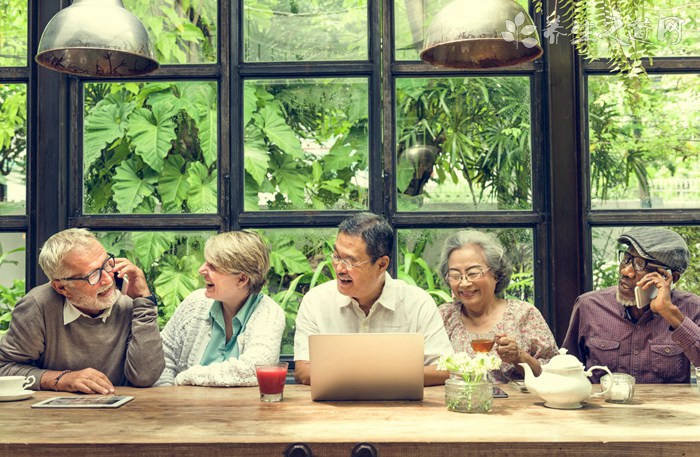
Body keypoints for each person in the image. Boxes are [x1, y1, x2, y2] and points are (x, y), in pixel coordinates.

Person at [293, 212, 454, 386]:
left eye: (350, 261)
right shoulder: (316, 301)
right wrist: (380, 377)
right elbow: (303, 370)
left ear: (381, 264)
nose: (339, 268)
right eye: (337, 256)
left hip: (401, 409)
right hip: (334, 407)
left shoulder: (417, 303)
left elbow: (444, 369)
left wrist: (371, 378)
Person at [0, 228, 164, 394]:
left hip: (125, 411)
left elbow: (145, 377)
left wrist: (145, 300)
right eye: (93, 275)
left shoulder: (130, 303)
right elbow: (4, 369)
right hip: (51, 415)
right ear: (62, 287)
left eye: (107, 264)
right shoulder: (37, 307)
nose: (108, 279)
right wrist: (61, 379)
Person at [563, 227, 700, 383]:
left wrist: (671, 313)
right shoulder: (589, 306)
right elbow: (566, 370)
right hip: (603, 406)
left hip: (666, 406)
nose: (626, 271)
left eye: (640, 265)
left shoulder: (693, 308)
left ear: (670, 277)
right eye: (627, 258)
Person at [155, 231, 285, 386]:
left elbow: (253, 369)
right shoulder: (195, 303)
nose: (201, 270)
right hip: (185, 408)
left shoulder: (269, 313)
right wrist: (169, 396)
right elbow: (162, 357)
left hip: (244, 410)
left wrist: (187, 377)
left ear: (242, 279)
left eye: (213, 267)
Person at [437, 230, 558, 383]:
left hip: (516, 406)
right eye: (455, 275)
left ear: (496, 274)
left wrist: (519, 356)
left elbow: (554, 373)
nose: (464, 283)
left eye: (473, 273)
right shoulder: (444, 316)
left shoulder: (524, 314)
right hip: (459, 403)